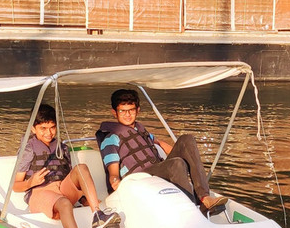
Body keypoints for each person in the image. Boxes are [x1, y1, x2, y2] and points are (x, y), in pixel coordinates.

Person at [96, 88, 228, 214]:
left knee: (187, 139)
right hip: (139, 178)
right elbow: (112, 172)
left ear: (138, 110)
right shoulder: (111, 138)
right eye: (122, 111)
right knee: (176, 164)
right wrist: (115, 182)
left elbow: (159, 143)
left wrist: (185, 158)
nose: (127, 115)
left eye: (131, 110)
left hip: (158, 169)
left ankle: (204, 198)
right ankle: (191, 210)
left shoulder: (140, 130)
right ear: (114, 112)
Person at [14, 103, 120, 228]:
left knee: (81, 168)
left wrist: (83, 199)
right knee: (64, 203)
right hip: (40, 193)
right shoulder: (27, 150)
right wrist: (30, 182)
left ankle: (98, 216)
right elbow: (15, 186)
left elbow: (70, 178)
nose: (49, 133)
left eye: (52, 127)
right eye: (43, 128)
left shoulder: (62, 148)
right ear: (33, 128)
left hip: (61, 189)